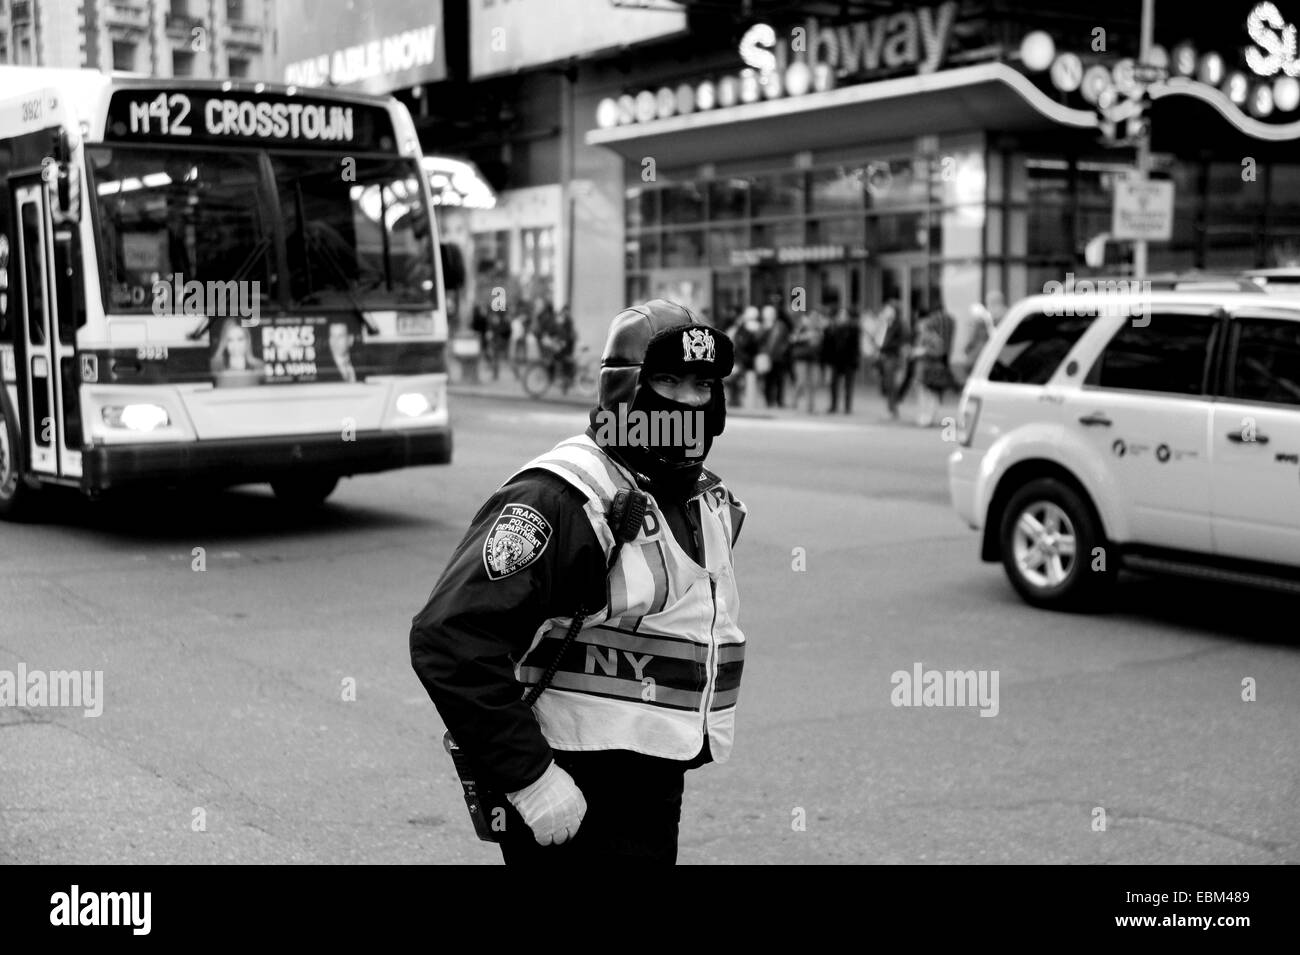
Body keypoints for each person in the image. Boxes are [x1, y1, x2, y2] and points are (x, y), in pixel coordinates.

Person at [410, 299, 748, 865]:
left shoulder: (697, 495)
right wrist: (530, 778)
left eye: (702, 384)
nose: (689, 402)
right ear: (624, 390)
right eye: (668, 380)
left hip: (650, 781)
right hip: (573, 784)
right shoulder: (563, 496)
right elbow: (449, 637)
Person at [913, 307, 956, 428]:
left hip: (930, 371)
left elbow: (939, 352)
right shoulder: (922, 337)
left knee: (931, 394)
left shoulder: (934, 338)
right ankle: (924, 415)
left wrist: (924, 351)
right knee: (924, 393)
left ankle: (929, 416)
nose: (919, 327)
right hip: (923, 370)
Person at [823, 308, 861, 414]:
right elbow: (827, 346)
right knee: (833, 385)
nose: (842, 318)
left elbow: (856, 347)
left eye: (844, 315)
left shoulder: (854, 329)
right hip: (835, 361)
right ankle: (833, 405)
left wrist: (856, 361)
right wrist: (826, 361)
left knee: (848, 386)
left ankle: (847, 407)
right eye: (840, 315)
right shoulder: (831, 329)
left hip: (849, 362)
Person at [789, 309, 825, 413]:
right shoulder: (802, 327)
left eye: (816, 316)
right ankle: (794, 400)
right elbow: (792, 339)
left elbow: (821, 344)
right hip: (801, 357)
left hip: (814, 358)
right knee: (801, 380)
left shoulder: (819, 329)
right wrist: (806, 336)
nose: (815, 318)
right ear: (808, 317)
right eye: (812, 316)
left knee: (813, 382)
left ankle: (810, 407)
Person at [876, 298, 907, 419]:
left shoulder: (899, 325)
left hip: (893, 357)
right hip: (885, 356)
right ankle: (891, 407)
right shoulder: (886, 324)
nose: (886, 311)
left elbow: (901, 341)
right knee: (888, 383)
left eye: (889, 309)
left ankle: (893, 409)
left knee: (891, 384)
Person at [758, 304, 789, 408]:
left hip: (778, 357)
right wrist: (765, 329)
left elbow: (785, 340)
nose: (770, 316)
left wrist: (782, 350)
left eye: (771, 314)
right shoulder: (763, 326)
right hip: (766, 357)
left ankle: (779, 400)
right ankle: (768, 400)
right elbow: (758, 340)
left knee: (779, 380)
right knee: (768, 380)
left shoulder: (780, 325)